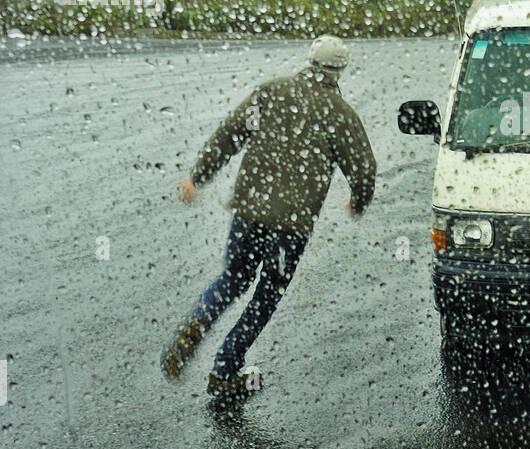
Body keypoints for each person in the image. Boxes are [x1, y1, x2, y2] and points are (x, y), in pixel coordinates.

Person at [161, 35, 376, 401]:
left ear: (310, 60)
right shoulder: (341, 113)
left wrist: (196, 177)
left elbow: (229, 135)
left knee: (232, 279)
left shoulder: (270, 92)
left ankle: (197, 322)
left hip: (250, 210)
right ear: (340, 71)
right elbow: (363, 168)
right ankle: (225, 370)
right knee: (267, 293)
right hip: (291, 225)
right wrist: (358, 200)